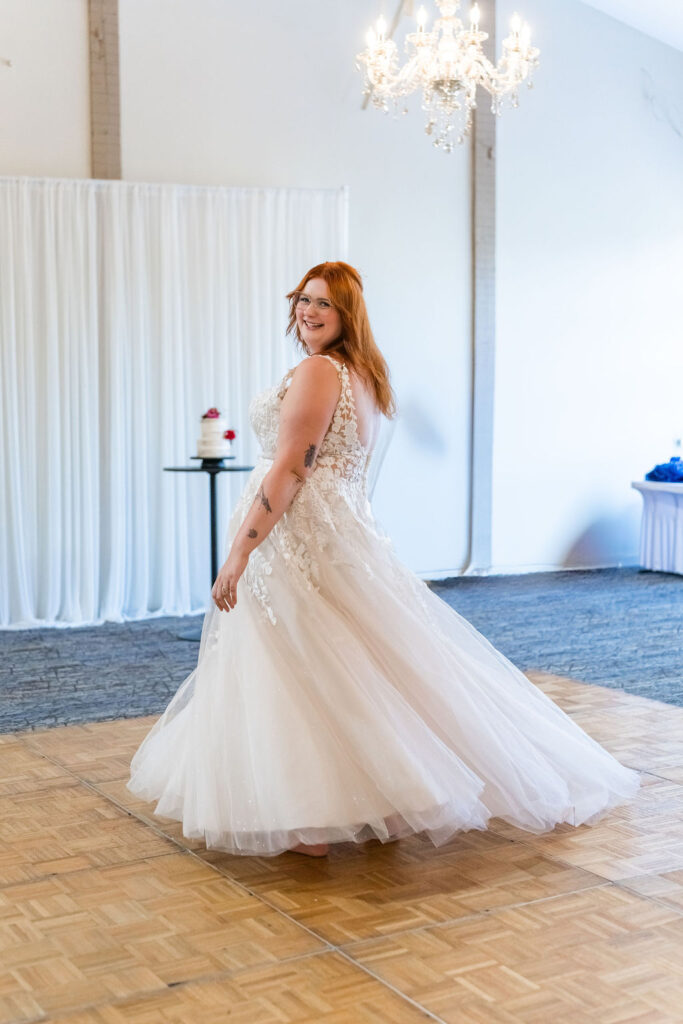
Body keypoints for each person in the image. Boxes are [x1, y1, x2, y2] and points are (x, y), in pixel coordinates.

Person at [127, 260, 640, 858]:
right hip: (334, 532)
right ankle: (372, 800)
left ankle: (308, 819)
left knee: (304, 664)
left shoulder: (321, 370)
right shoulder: (359, 374)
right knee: (345, 665)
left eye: (324, 304)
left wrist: (241, 551)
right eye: (304, 299)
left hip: (299, 538)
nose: (309, 311)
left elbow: (294, 466)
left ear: (347, 316)